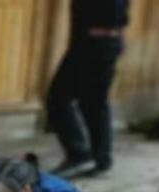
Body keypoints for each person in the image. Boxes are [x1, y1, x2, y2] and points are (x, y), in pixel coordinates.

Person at [46, 0, 130, 178]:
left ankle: (80, 155)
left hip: (93, 42)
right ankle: (100, 159)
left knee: (58, 97)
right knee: (94, 102)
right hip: (103, 41)